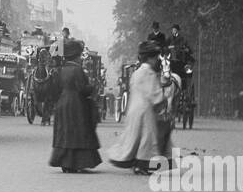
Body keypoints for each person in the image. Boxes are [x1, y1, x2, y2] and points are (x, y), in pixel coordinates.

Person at [107, 42, 170, 173]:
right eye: (155, 58)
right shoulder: (149, 73)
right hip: (145, 110)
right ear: (150, 58)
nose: (156, 61)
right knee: (147, 137)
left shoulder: (136, 73)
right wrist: (162, 100)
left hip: (134, 109)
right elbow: (153, 93)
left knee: (135, 136)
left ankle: (135, 161)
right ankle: (144, 164)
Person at [47, 39, 101, 173]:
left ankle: (65, 162)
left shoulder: (60, 70)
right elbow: (83, 89)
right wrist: (92, 88)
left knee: (64, 133)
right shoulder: (77, 70)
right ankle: (78, 162)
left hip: (62, 103)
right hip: (76, 104)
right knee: (78, 132)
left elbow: (55, 90)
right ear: (76, 56)